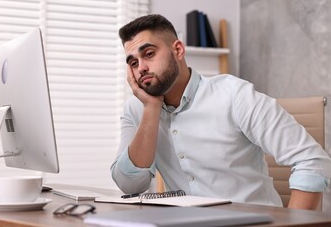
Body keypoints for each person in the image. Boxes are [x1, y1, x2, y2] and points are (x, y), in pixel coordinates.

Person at [111, 14, 331, 210]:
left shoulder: (234, 95)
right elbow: (130, 185)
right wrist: (151, 108)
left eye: (149, 54)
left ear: (178, 50)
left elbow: (312, 160)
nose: (141, 68)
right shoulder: (136, 109)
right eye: (133, 62)